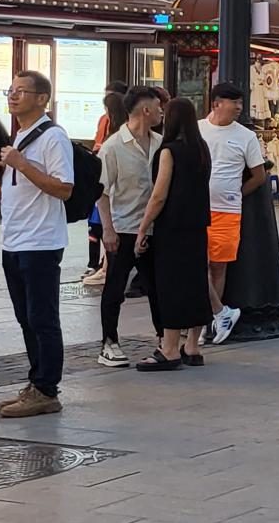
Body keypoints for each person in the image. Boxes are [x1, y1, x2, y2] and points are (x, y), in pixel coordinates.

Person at [0, 70, 74, 419]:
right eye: (11, 90)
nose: (13, 96)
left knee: (42, 317)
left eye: (22, 91)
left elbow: (63, 188)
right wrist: (1, 173)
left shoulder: (54, 137)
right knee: (26, 317)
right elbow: (23, 183)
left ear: (42, 98)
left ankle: (47, 388)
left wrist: (20, 165)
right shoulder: (22, 134)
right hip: (14, 239)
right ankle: (36, 382)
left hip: (40, 240)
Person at [134, 96, 211, 371]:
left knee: (171, 285)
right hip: (197, 226)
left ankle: (168, 350)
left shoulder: (168, 151)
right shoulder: (202, 149)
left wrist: (144, 227)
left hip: (173, 228)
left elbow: (159, 195)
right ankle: (192, 346)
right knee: (196, 282)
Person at [96, 85, 164, 369]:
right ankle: (109, 342)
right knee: (115, 286)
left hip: (153, 230)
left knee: (157, 287)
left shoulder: (161, 142)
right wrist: (107, 230)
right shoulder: (113, 146)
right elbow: (102, 191)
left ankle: (165, 338)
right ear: (145, 110)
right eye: (158, 107)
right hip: (123, 228)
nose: (162, 111)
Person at [197, 82, 265, 344]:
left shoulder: (246, 136)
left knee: (218, 266)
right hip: (198, 208)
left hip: (227, 210)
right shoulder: (198, 129)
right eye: (233, 103)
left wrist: (237, 193)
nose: (239, 108)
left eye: (240, 103)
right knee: (197, 265)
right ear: (216, 104)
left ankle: (211, 322)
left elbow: (258, 175)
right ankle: (215, 314)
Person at [82, 88, 128, 287]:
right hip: (110, 193)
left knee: (100, 226)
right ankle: (102, 265)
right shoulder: (111, 130)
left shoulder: (116, 139)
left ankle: (104, 266)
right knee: (98, 227)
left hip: (111, 193)